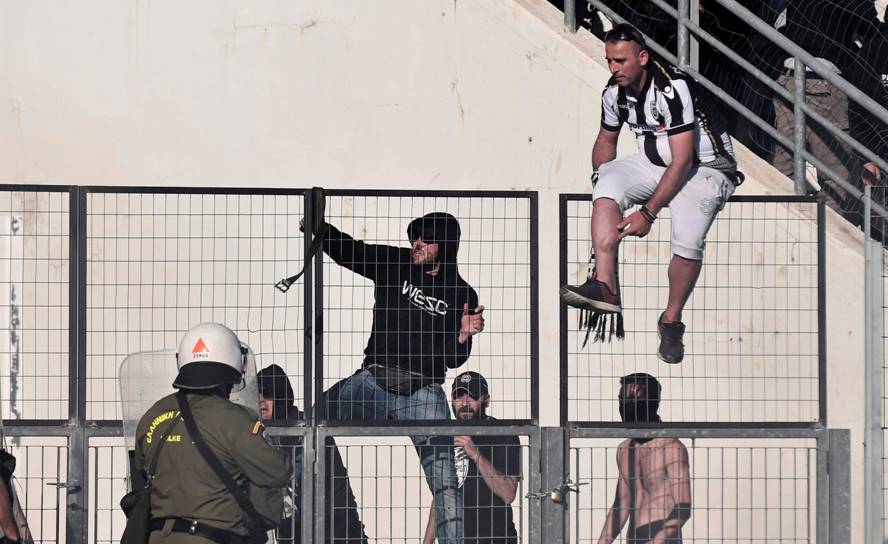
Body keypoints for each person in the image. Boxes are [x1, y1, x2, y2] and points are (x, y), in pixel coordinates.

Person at [560, 23, 740, 363]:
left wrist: (648, 212)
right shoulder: (613, 92)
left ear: (642, 58)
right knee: (607, 180)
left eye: (621, 61)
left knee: (688, 238)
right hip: (655, 163)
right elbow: (606, 140)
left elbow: (684, 159)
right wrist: (602, 188)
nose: (614, 68)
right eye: (610, 61)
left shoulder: (672, 88)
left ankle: (671, 321)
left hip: (704, 167)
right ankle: (605, 287)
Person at [307, 211, 485, 544]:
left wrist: (463, 335)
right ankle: (327, 525)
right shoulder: (394, 262)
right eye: (415, 237)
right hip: (373, 383)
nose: (417, 244)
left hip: (423, 393)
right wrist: (319, 228)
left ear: (445, 246)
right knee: (310, 423)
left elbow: (453, 359)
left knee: (446, 484)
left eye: (426, 239)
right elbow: (352, 252)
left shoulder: (461, 294)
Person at [134, 322, 292, 543]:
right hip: (213, 536)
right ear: (234, 364)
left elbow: (141, 469)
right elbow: (276, 471)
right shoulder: (235, 419)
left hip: (158, 537)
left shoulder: (153, 415)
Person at [771, 1, 878, 212]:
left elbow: (777, 24)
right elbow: (869, 23)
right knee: (836, 171)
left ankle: (785, 222)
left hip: (788, 79)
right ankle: (825, 229)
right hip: (823, 81)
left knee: (786, 162)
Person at [256, 365, 368, 544]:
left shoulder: (304, 430)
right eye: (257, 394)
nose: (261, 400)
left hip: (331, 526)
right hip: (299, 528)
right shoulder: (260, 433)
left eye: (267, 394)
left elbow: (297, 483)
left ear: (281, 397)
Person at [422, 371, 520, 544]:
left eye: (472, 397)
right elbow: (441, 498)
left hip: (496, 539)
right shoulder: (447, 437)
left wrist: (475, 454)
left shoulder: (503, 434)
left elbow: (508, 493)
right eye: (458, 396)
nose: (464, 403)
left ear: (486, 400)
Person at [597, 373, 691, 544]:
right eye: (622, 400)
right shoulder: (625, 449)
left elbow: (683, 508)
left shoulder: (671, 447)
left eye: (632, 400)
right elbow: (621, 505)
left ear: (650, 403)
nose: (625, 406)